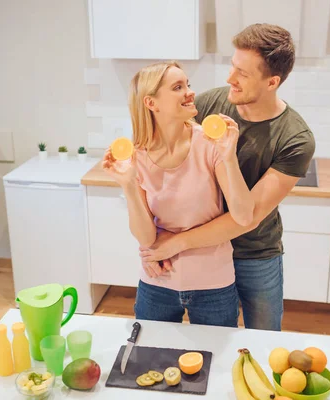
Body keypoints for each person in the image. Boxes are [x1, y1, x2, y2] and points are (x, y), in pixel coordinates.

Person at [138, 23, 316, 331]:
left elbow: (247, 216)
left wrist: (170, 245)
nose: (229, 78)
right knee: (205, 343)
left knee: (264, 339)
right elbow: (164, 148)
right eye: (233, 67)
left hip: (254, 254)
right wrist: (152, 241)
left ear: (272, 82)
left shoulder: (294, 139)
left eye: (243, 74)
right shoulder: (210, 105)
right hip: (201, 253)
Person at [102, 60, 255, 328]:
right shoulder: (137, 157)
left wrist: (229, 158)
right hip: (157, 283)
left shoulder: (209, 144)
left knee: (215, 361)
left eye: (188, 84)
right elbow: (146, 236)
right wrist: (128, 185)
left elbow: (243, 216)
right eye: (177, 87)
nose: (190, 92)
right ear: (151, 103)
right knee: (151, 362)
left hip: (214, 285)